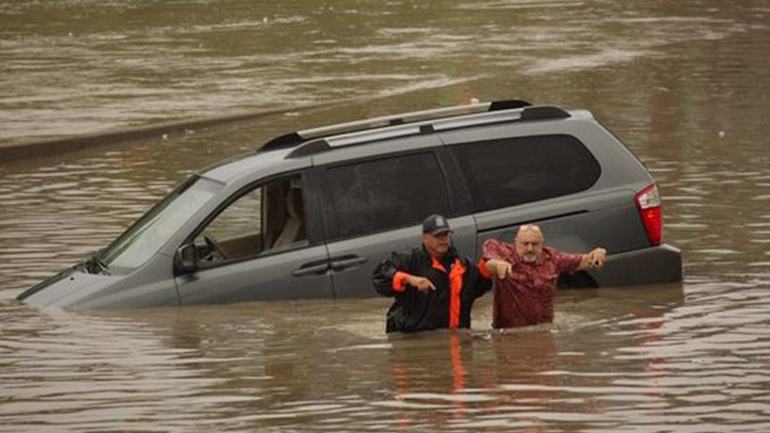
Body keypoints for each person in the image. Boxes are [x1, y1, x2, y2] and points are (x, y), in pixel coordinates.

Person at [373, 214, 492, 333]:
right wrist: (410, 279)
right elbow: (380, 277)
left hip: (453, 338)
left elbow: (479, 286)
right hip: (412, 338)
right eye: (437, 235)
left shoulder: (462, 264)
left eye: (445, 234)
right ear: (425, 238)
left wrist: (489, 267)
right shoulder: (409, 259)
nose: (443, 239)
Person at [481, 224, 607, 329]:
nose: (530, 249)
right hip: (508, 333)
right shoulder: (503, 253)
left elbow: (585, 261)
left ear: (542, 243)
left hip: (543, 331)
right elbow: (489, 262)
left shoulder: (553, 258)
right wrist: (498, 265)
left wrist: (598, 253)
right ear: (516, 243)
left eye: (535, 244)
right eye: (525, 244)